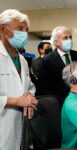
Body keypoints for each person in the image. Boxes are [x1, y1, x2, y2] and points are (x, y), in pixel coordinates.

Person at [0, 9, 38, 150]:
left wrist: (30, 97)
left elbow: (30, 86)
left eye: (26, 30)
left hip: (20, 124)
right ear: (2, 29)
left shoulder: (21, 59)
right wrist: (16, 101)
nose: (24, 34)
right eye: (20, 28)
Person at [36, 26, 77, 107]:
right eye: (65, 38)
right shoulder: (46, 61)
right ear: (56, 42)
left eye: (70, 37)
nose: (69, 40)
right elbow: (43, 89)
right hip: (59, 104)